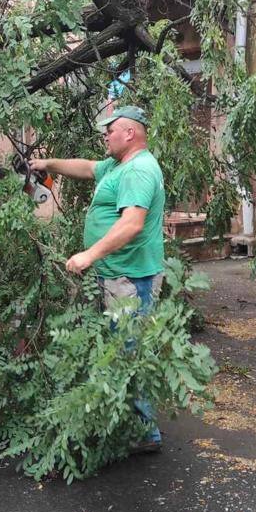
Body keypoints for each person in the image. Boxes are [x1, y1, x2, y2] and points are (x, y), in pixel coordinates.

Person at [29, 104, 165, 451]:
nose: (105, 135)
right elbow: (87, 167)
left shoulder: (138, 170)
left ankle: (145, 433)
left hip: (130, 278)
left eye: (110, 130)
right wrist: (46, 164)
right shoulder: (117, 165)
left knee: (128, 352)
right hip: (117, 274)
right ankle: (126, 422)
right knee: (118, 348)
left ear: (130, 133)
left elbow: (132, 224)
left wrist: (89, 255)